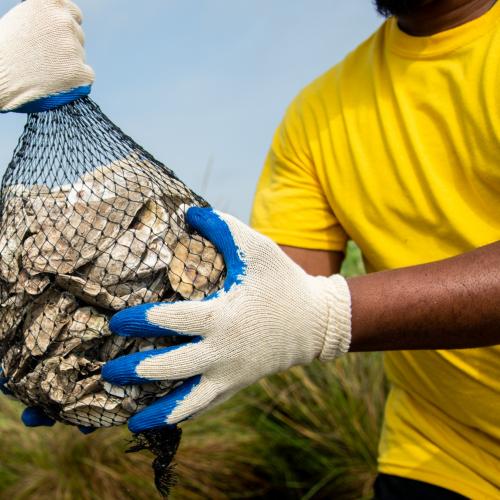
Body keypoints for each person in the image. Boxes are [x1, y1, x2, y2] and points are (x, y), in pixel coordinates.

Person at [0, 0, 498, 498]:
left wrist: (324, 318)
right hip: (435, 458)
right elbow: (272, 296)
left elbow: (308, 313)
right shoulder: (319, 112)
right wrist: (114, 354)